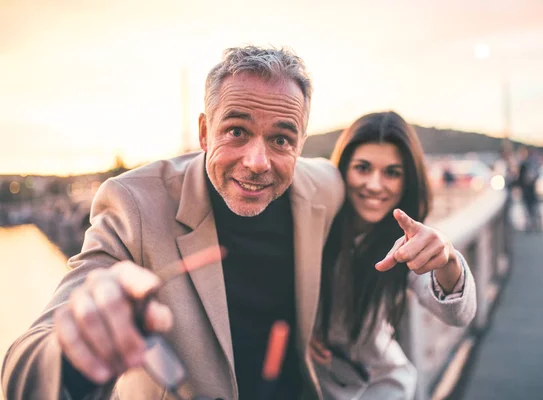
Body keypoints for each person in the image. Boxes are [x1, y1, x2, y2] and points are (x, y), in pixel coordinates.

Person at [2, 46, 347, 400]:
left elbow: (370, 217)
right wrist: (75, 353)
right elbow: (23, 372)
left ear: (301, 144)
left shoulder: (325, 185)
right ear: (204, 132)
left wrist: (405, 241)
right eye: (237, 131)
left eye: (280, 140)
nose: (258, 162)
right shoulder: (133, 204)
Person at [308, 111, 477, 399]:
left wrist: (448, 260)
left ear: (407, 181)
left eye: (392, 173)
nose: (375, 185)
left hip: (380, 390)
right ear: (343, 169)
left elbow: (458, 314)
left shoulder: (405, 243)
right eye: (362, 168)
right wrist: (300, 330)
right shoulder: (312, 223)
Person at [517, 146, 542, 232]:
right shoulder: (524, 164)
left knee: (532, 209)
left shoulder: (530, 164)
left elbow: (533, 176)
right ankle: (532, 225)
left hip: (530, 191)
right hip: (527, 191)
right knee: (529, 209)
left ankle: (534, 225)